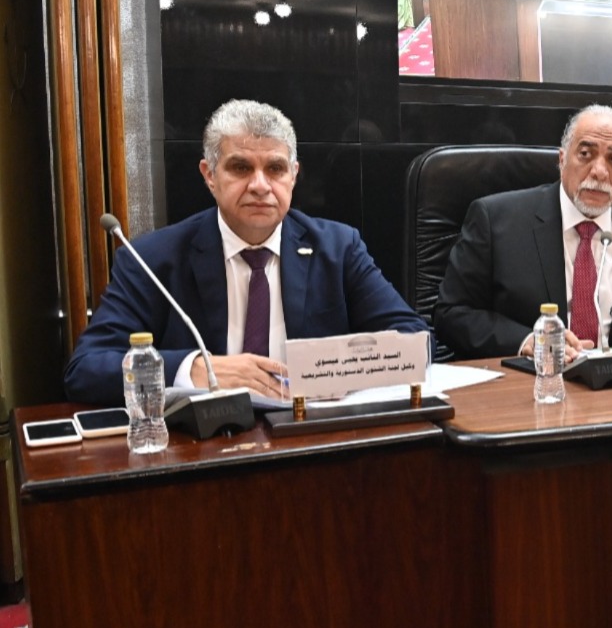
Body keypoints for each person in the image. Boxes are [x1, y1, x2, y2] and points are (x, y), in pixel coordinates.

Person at [63, 99, 427, 406]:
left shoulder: (338, 248)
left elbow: (416, 341)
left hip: (309, 436)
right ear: (209, 175)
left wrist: (332, 369)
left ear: (293, 175)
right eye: (240, 168)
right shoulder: (153, 259)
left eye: (275, 169)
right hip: (204, 447)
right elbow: (87, 369)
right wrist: (195, 368)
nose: (260, 185)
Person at [435, 105, 612, 360]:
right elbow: (450, 314)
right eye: (585, 154)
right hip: (532, 378)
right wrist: (527, 341)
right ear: (562, 160)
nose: (600, 171)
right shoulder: (495, 221)